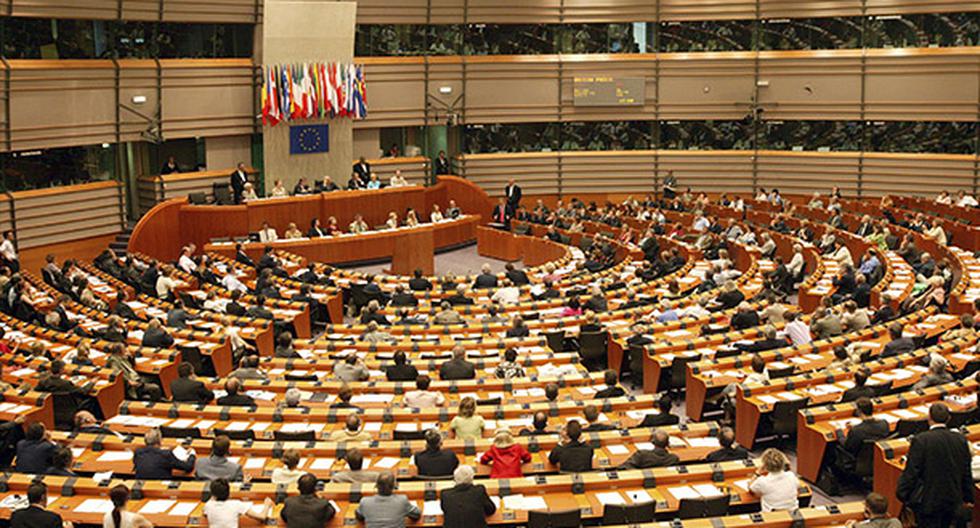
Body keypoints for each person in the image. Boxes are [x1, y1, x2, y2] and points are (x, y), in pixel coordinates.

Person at [897, 403, 973, 528]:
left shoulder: (921, 440)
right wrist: (968, 497)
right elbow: (966, 471)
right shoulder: (960, 439)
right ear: (948, 418)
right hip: (954, 498)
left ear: (929, 418)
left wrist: (902, 493)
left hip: (928, 501)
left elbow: (912, 471)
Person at [355, 472, 421, 528]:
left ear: (376, 486)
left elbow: (359, 516)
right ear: (394, 486)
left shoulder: (365, 502)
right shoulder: (402, 500)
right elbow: (417, 515)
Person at [203, 478, 272, 528]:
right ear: (229, 492)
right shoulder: (236, 504)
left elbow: (205, 511)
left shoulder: (208, 505)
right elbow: (262, 517)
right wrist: (267, 506)